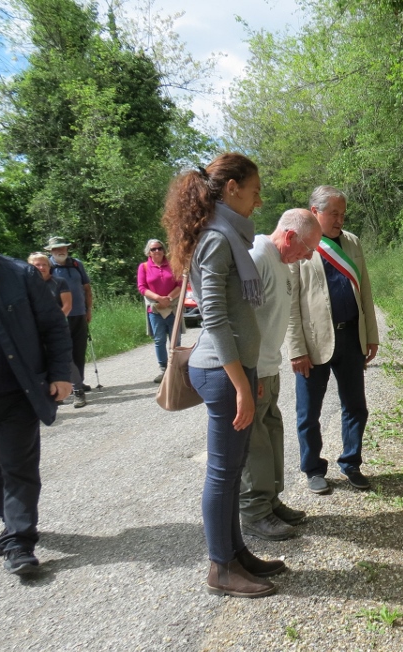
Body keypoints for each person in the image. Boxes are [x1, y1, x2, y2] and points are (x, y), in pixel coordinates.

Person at [161, 153, 285, 598]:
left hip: (233, 369)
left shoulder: (225, 233)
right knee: (221, 472)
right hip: (221, 372)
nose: (258, 200)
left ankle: (236, 553)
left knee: (232, 471)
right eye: (254, 191)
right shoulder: (217, 238)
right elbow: (212, 315)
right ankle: (220, 567)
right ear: (232, 188)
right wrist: (240, 385)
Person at [0, 199, 73, 574]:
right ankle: (11, 523)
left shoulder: (19, 275)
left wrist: (61, 373)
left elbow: (54, 326)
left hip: (17, 391)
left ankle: (20, 542)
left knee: (18, 467)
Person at [286, 186, 380, 494]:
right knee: (308, 412)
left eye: (343, 214)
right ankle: (313, 468)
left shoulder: (352, 242)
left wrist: (371, 335)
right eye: (334, 213)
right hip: (313, 344)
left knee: (356, 406)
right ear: (315, 212)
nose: (340, 219)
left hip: (351, 336)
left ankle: (351, 463)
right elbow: (291, 303)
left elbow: (365, 291)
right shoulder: (300, 244)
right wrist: (296, 349)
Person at [240, 209, 322, 541]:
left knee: (272, 435)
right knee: (254, 443)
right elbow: (237, 317)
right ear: (289, 236)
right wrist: (249, 374)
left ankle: (270, 502)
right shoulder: (257, 256)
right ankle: (254, 512)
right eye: (307, 248)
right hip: (254, 370)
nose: (310, 256)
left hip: (269, 368)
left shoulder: (282, 262)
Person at [45, 237, 92, 408]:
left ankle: (78, 381)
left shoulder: (77, 264)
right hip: (59, 317)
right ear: (50, 251)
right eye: (56, 248)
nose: (60, 251)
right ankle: (69, 384)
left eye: (63, 247)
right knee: (64, 352)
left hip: (79, 313)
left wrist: (89, 309)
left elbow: (86, 288)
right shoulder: (47, 266)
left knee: (79, 350)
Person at [137, 238, 182, 383]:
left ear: (163, 250)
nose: (157, 251)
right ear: (148, 252)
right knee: (159, 339)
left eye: (159, 248)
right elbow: (142, 287)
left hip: (173, 307)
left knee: (175, 339)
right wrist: (158, 298)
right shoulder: (144, 267)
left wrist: (169, 298)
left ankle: (177, 369)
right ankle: (164, 370)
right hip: (155, 309)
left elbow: (180, 284)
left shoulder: (173, 265)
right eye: (153, 249)